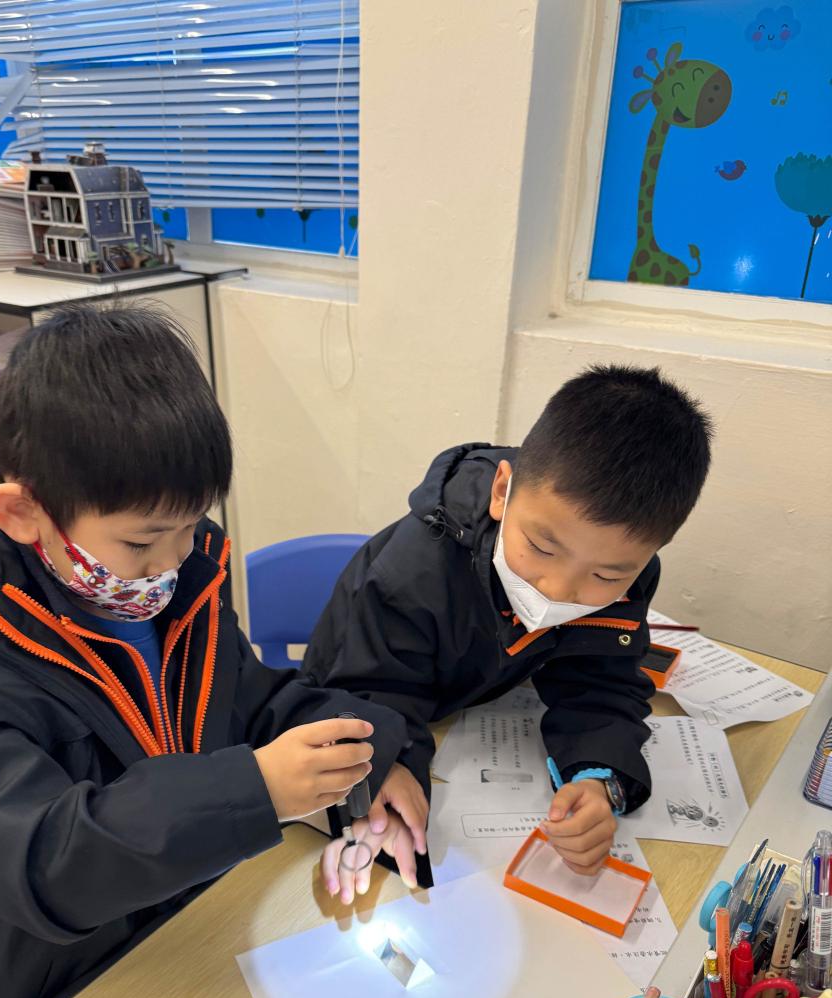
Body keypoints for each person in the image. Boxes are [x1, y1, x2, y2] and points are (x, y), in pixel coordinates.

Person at [0, 304, 425, 998]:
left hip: (186, 935)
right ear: (24, 513)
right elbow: (48, 862)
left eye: (191, 526)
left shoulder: (175, 591)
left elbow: (251, 702)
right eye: (141, 540)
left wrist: (373, 751)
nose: (171, 562)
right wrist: (250, 792)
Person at [305, 364, 713, 881]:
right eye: (541, 546)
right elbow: (369, 688)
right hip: (359, 699)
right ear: (502, 491)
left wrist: (598, 778)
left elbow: (600, 681)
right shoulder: (413, 571)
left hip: (466, 714)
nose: (558, 589)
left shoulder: (625, 583)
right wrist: (390, 761)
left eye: (606, 574)